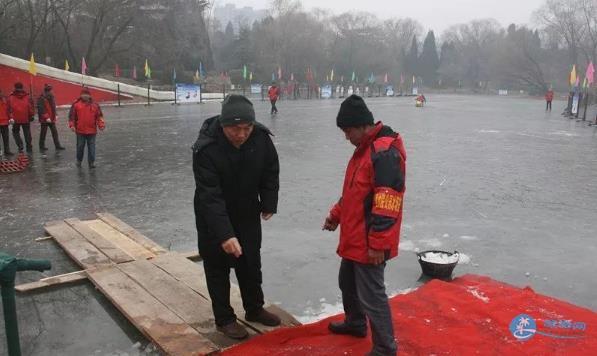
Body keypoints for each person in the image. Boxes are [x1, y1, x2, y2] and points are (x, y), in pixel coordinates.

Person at [323, 95, 406, 356]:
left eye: (348, 131)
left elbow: (387, 202)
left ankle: (385, 348)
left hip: (371, 241)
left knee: (372, 295)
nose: (346, 137)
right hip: (355, 236)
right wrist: (336, 215)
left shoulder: (384, 153)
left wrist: (378, 244)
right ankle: (356, 323)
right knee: (346, 282)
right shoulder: (363, 152)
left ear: (362, 125)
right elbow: (354, 193)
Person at [192, 94, 281, 340]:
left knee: (250, 261)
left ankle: (254, 308)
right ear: (223, 125)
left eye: (246, 128)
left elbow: (270, 170)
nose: (241, 134)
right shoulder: (206, 148)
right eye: (235, 128)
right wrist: (225, 234)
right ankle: (225, 319)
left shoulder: (260, 138)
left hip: (247, 211)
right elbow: (210, 196)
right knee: (217, 266)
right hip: (213, 215)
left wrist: (269, 201)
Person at [68, 88, 105, 168]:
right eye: (83, 94)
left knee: (92, 148)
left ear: (89, 95)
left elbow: (100, 116)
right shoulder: (76, 104)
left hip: (92, 131)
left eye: (87, 94)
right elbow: (72, 117)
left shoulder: (95, 105)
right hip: (80, 131)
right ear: (81, 95)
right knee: (80, 147)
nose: (85, 96)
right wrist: (72, 125)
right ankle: (79, 161)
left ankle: (91, 163)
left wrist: (101, 125)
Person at [7, 82, 34, 153]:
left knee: (15, 132)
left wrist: (10, 117)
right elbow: (30, 107)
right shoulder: (27, 96)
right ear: (22, 87)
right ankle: (29, 146)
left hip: (15, 119)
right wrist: (31, 115)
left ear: (15, 87)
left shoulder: (11, 97)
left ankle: (20, 145)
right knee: (27, 132)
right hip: (25, 117)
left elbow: (8, 108)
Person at [37, 84, 65, 151]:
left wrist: (56, 114)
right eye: (51, 90)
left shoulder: (51, 97)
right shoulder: (42, 98)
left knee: (54, 132)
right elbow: (41, 108)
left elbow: (53, 107)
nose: (52, 92)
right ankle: (41, 146)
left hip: (51, 118)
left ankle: (57, 145)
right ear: (48, 91)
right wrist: (46, 117)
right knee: (43, 133)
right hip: (44, 119)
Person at [0, 89, 14, 156]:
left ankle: (7, 151)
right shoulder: (4, 99)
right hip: (4, 122)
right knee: (5, 137)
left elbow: (9, 110)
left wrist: (11, 117)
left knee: (6, 138)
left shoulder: (5, 100)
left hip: (5, 122)